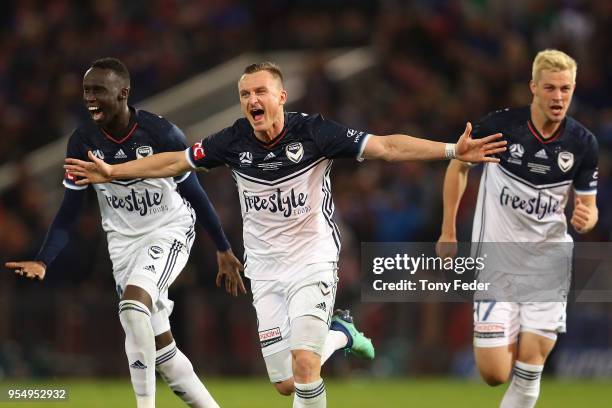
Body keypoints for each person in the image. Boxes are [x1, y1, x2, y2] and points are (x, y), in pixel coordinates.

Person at [65, 61, 506, 408]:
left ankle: (325, 340)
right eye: (244, 95)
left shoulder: (315, 133)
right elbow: (172, 162)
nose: (251, 100)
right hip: (265, 267)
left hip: (313, 259)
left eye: (260, 92)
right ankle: (343, 334)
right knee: (285, 382)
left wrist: (452, 150)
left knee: (305, 363)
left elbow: (387, 147)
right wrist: (113, 170)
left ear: (281, 96)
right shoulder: (233, 141)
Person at [5, 58, 246, 408]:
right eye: (87, 91)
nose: (90, 98)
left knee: (133, 305)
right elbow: (70, 210)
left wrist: (222, 248)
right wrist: (44, 260)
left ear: (123, 93)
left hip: (168, 231)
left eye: (98, 90)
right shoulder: (82, 141)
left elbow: (195, 193)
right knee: (163, 354)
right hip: (122, 245)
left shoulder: (161, 135)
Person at [436, 49, 598, 408]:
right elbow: (458, 167)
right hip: (498, 262)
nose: (558, 97)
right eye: (550, 88)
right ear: (533, 88)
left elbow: (589, 206)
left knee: (530, 366)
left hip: (549, 264)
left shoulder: (583, 144)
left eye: (566, 89)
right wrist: (448, 230)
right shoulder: (502, 128)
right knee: (494, 373)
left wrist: (588, 217)